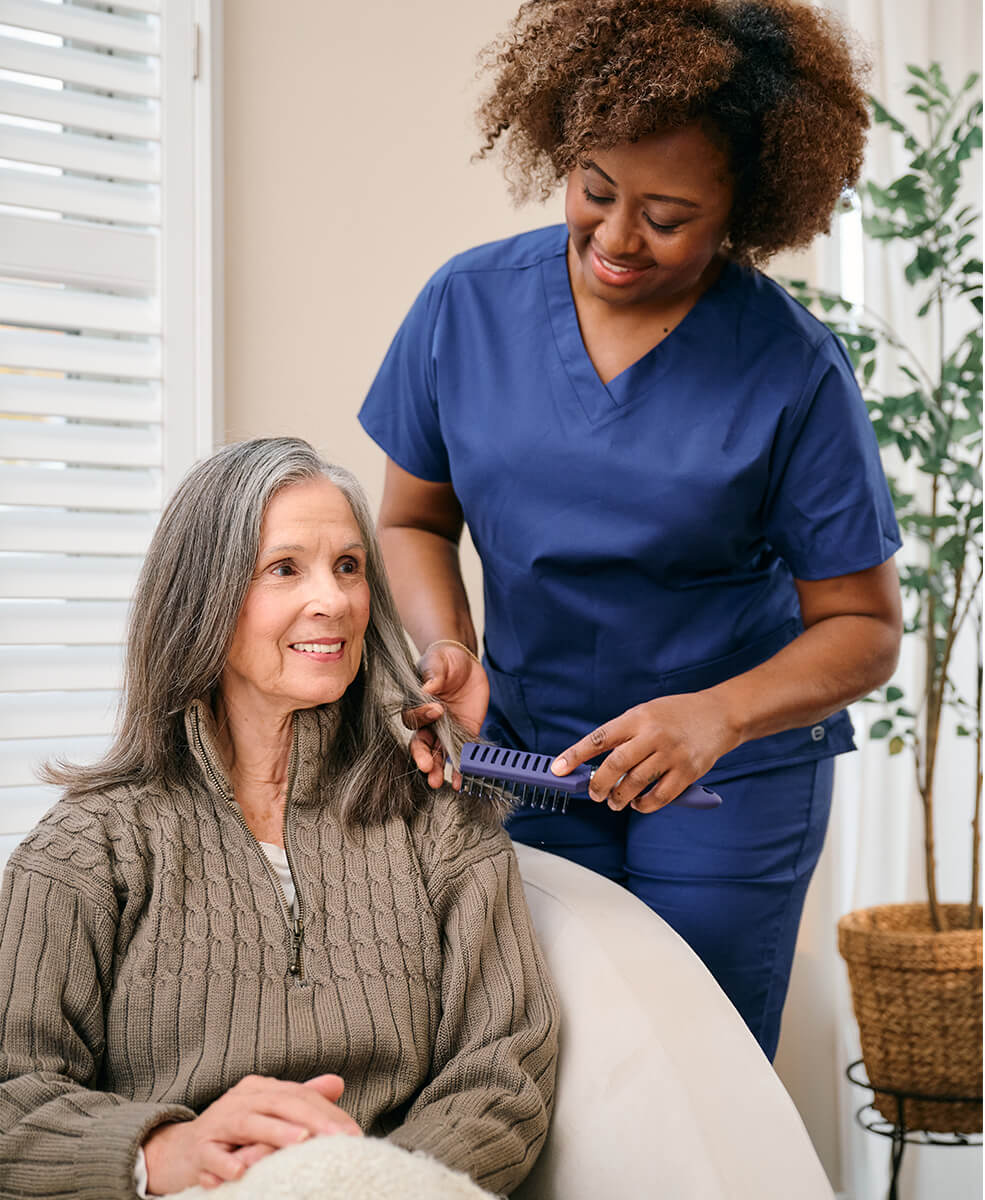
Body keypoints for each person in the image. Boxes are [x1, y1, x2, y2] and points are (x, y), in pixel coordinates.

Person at [357, 0, 903, 1060]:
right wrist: (449, 647)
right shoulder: (463, 307)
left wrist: (713, 719)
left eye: (665, 216)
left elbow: (862, 627)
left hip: (725, 777)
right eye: (593, 191)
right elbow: (413, 518)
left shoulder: (790, 368)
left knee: (690, 1064)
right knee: (537, 1056)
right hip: (530, 749)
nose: (613, 238)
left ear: (744, 210)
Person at [0, 438, 558, 1199]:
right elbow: (11, 1094)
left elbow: (505, 1069)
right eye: (284, 569)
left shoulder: (441, 822)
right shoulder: (85, 848)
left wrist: (370, 1183)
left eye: (349, 566)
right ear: (201, 597)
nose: (332, 600)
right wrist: (162, 1150)